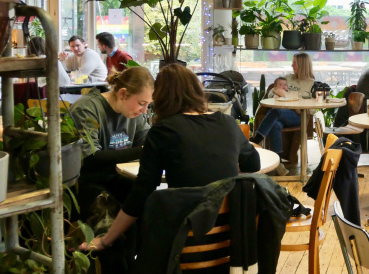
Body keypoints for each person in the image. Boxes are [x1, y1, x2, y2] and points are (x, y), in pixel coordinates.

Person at [82, 64, 260, 252]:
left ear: (161, 97)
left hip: (184, 244)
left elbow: (141, 193)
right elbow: (253, 163)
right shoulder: (228, 123)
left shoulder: (163, 131)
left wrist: (105, 240)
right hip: (230, 243)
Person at [70, 67, 154, 209]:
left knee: (151, 199)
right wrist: (144, 150)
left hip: (117, 178)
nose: (144, 111)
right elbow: (91, 157)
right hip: (86, 181)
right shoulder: (87, 109)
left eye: (148, 105)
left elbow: (147, 141)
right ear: (122, 94)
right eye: (141, 104)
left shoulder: (134, 114)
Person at [252, 53, 316, 156]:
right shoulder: (288, 78)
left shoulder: (312, 85)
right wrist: (274, 96)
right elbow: (273, 90)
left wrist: (286, 95)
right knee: (275, 124)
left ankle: (256, 140)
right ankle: (278, 161)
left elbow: (311, 110)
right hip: (280, 114)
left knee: (276, 111)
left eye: (294, 63)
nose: (292, 65)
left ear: (302, 65)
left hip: (299, 117)